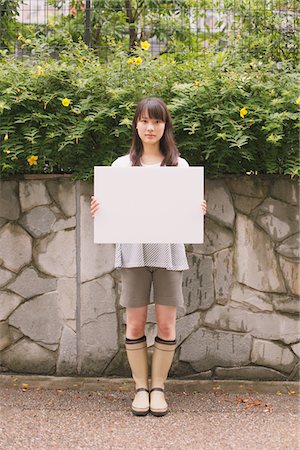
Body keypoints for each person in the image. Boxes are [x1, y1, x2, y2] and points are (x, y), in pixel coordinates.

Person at [91, 97, 206, 417]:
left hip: (169, 252)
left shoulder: (178, 167)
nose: (150, 127)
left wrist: (196, 212)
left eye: (156, 121)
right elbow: (111, 211)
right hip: (132, 253)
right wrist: (100, 211)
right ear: (136, 125)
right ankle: (140, 389)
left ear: (165, 126)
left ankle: (159, 389)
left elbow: (187, 211)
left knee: (167, 325)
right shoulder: (120, 167)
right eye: (144, 120)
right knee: (136, 322)